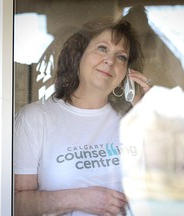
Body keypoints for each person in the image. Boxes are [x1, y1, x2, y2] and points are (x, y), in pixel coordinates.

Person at [14, 17, 152, 216]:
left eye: (121, 57)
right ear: (77, 56)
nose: (110, 60)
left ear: (127, 73)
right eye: (102, 48)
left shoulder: (132, 121)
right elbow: (15, 204)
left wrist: (153, 118)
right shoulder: (36, 118)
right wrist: (80, 199)